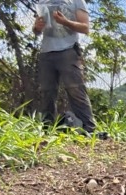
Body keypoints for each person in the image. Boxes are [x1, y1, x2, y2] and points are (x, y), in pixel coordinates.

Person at [32, 0, 96, 134]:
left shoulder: (77, 1)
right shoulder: (43, 2)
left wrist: (65, 22)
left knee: (76, 90)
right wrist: (37, 27)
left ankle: (88, 129)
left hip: (68, 51)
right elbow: (37, 31)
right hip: (46, 52)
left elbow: (85, 28)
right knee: (46, 92)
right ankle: (47, 130)